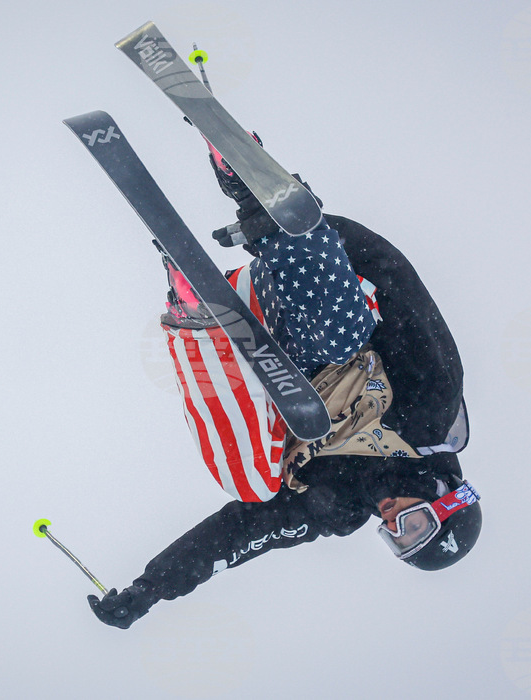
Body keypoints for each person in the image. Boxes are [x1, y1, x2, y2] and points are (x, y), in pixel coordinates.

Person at [88, 134, 482, 629]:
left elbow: (239, 536)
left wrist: (152, 588)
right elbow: (401, 285)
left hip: (242, 349)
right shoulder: (432, 414)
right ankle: (252, 190)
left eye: (394, 537)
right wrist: (314, 230)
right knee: (341, 339)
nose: (390, 520)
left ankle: (196, 312)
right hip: (300, 292)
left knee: (252, 483)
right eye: (413, 523)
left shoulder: (335, 506)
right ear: (445, 496)